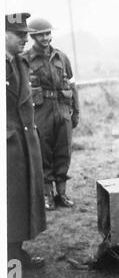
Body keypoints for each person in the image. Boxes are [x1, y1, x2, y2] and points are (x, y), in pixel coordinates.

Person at [6, 12, 46, 278]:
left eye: (25, 35)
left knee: (20, 204)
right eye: (18, 35)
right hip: (7, 147)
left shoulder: (18, 62)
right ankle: (10, 272)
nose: (24, 40)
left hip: (23, 144)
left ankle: (17, 252)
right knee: (7, 208)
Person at [23, 18, 80, 210]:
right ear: (33, 36)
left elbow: (72, 85)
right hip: (40, 111)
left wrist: (76, 112)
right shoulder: (25, 59)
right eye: (41, 34)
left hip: (62, 109)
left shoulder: (61, 57)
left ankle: (61, 193)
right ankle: (47, 195)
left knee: (63, 151)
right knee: (44, 152)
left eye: (48, 33)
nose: (45, 37)